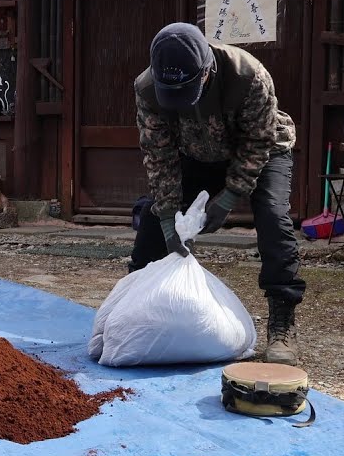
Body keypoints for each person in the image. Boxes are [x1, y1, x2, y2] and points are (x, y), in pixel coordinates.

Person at [129, 22, 306, 366]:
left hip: (261, 148)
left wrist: (228, 199)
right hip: (197, 152)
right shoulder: (147, 88)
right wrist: (168, 219)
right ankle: (135, 307)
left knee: (272, 214)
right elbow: (159, 154)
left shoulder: (247, 74)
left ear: (206, 70)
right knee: (154, 220)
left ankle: (282, 322)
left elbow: (259, 142)